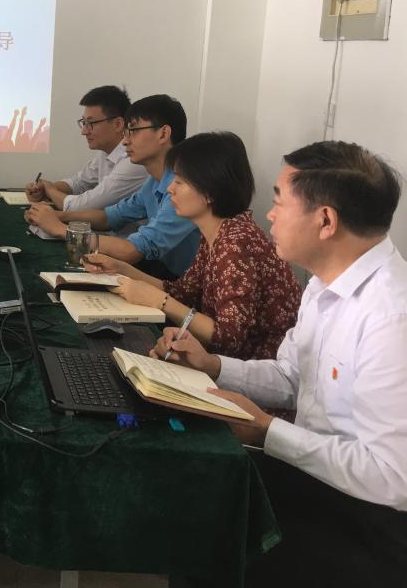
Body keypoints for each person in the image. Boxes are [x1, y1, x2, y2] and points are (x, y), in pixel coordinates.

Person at [153, 141, 407, 586]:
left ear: (325, 221)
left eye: (278, 201)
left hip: (372, 519)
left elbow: (392, 478)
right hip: (316, 474)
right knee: (194, 496)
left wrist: (266, 431)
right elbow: (291, 376)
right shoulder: (324, 283)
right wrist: (212, 365)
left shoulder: (391, 317)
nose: (268, 215)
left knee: (212, 534)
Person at [85, 132, 300, 360]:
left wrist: (160, 302)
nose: (170, 189)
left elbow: (229, 337)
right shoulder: (217, 233)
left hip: (251, 369)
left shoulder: (236, 243)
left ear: (209, 191)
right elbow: (183, 292)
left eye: (179, 181)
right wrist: (122, 269)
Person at [26, 94, 198, 278]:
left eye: (134, 131)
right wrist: (55, 216)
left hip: (183, 283)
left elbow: (132, 251)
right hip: (164, 271)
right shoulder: (154, 181)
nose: (125, 141)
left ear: (163, 134)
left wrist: (60, 229)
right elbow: (109, 217)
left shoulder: (186, 188)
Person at [26, 85, 147, 211]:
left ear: (117, 124)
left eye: (91, 123)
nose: (83, 132)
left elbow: (81, 206)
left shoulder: (134, 161)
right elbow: (79, 183)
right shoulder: (105, 153)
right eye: (84, 123)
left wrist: (50, 190)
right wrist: (43, 189)